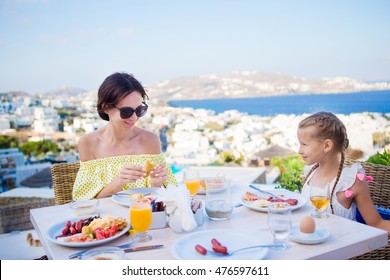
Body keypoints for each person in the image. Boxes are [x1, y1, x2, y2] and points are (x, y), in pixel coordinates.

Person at [73, 72, 177, 200]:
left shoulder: (150, 140)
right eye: (126, 111)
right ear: (105, 107)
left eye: (139, 110)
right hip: (109, 219)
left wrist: (157, 184)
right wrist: (119, 182)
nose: (134, 118)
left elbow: (168, 195)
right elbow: (85, 201)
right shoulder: (88, 144)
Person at [298, 111, 390, 235]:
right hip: (308, 242)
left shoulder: (352, 181)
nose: (299, 150)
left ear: (326, 146)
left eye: (304, 144)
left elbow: (376, 223)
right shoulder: (310, 172)